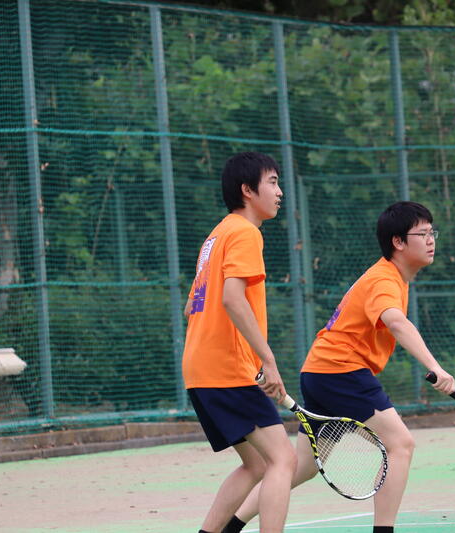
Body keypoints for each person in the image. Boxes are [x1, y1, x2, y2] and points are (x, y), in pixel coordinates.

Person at [223, 201, 455, 533]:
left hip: (320, 372)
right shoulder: (384, 280)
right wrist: (437, 368)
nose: (431, 239)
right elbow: (397, 323)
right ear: (398, 242)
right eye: (422, 233)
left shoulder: (391, 278)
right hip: (340, 372)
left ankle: (231, 526)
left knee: (302, 465)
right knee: (401, 444)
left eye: (433, 232)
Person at [182, 152, 297, 533]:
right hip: (228, 370)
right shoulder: (247, 232)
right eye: (273, 182)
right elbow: (232, 299)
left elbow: (191, 306)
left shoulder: (216, 236)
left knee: (258, 464)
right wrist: (268, 360)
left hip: (200, 370)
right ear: (248, 190)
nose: (280, 192)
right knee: (283, 459)